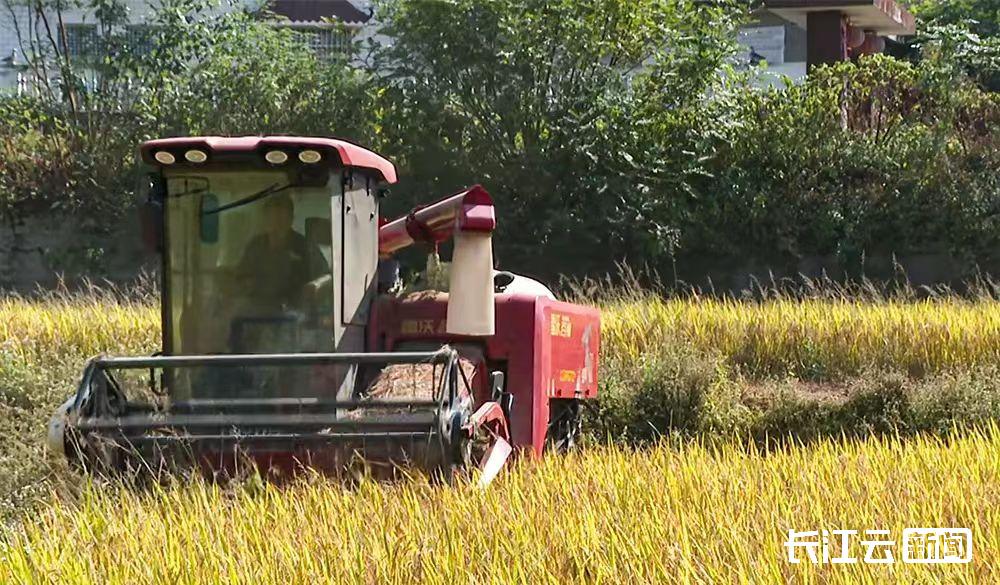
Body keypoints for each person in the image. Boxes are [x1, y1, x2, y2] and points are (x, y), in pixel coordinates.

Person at [233, 194, 329, 313]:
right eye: (272, 219)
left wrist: (316, 285)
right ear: (265, 219)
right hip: (257, 313)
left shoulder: (304, 246)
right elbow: (240, 276)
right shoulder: (255, 245)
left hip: (294, 313)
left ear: (291, 220)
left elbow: (327, 275)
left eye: (281, 220)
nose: (276, 226)